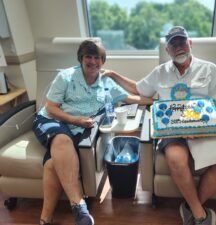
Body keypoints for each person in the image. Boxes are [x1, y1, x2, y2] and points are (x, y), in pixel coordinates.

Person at [103, 26, 216, 225]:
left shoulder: (209, 69)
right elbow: (138, 89)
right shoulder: (160, 72)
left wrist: (201, 128)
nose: (178, 47)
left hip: (204, 127)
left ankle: (192, 206)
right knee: (176, 158)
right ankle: (200, 215)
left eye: (182, 42)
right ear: (167, 51)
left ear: (189, 43)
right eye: (173, 44)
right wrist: (114, 74)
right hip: (173, 130)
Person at [32, 39, 153, 225]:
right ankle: (79, 205)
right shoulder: (66, 77)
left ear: (103, 61)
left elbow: (131, 97)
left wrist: (157, 100)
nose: (93, 61)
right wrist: (75, 120)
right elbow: (51, 107)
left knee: (51, 165)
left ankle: (45, 219)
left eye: (97, 57)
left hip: (80, 127)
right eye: (88, 56)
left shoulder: (106, 83)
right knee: (63, 140)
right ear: (81, 58)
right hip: (53, 120)